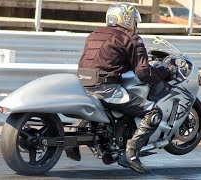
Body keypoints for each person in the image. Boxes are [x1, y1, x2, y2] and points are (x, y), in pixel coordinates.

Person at [77, 2, 176, 174]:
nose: (135, 25)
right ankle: (131, 154)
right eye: (134, 21)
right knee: (153, 112)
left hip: (82, 85)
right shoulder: (130, 38)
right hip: (106, 88)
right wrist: (164, 72)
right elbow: (143, 74)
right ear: (127, 19)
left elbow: (106, 60)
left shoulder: (94, 34)